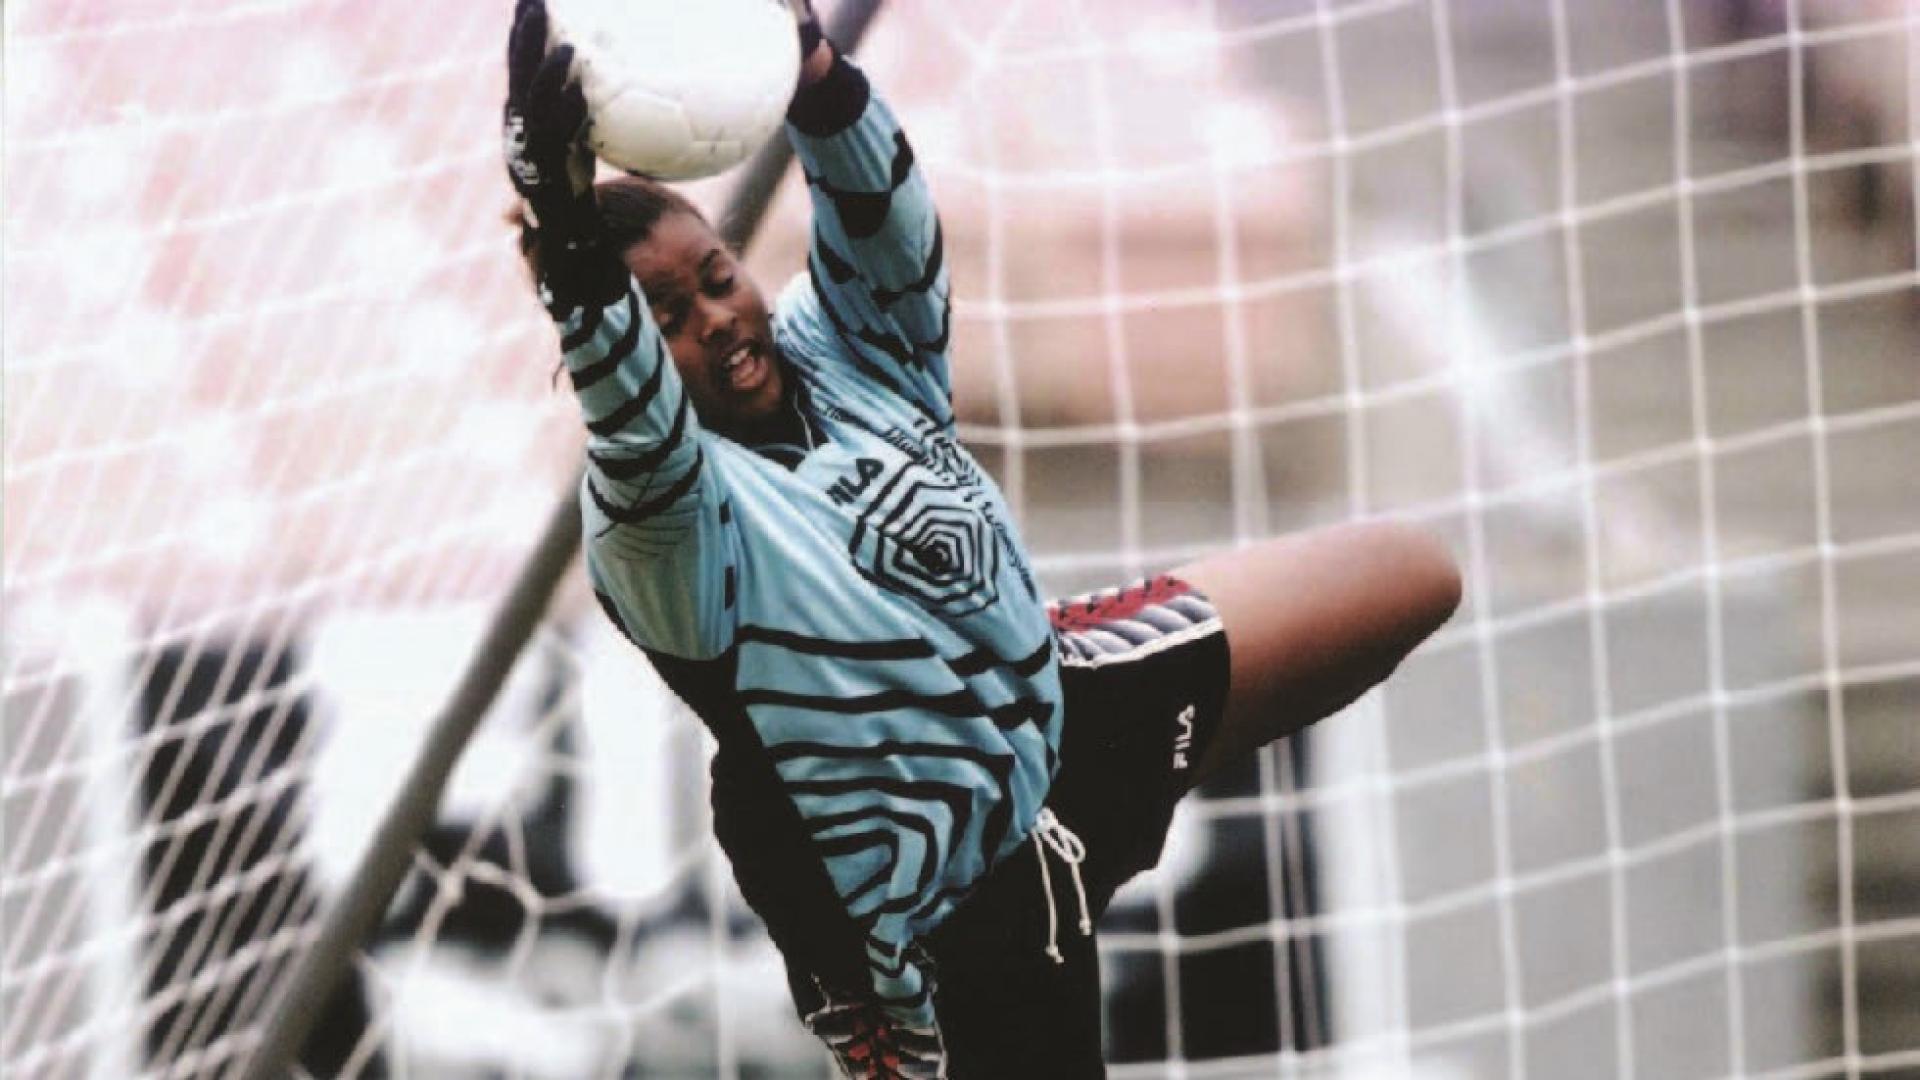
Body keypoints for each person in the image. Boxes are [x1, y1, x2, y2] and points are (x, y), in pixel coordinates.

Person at [502, 1, 1461, 1075]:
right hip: (933, 915)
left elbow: (886, 231)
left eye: (717, 277)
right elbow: (637, 428)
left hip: (1069, 719)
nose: (718, 317)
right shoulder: (660, 527)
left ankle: (1024, 691)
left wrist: (819, 77)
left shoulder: (848, 356)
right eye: (668, 316)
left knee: (1409, 574)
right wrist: (569, 246)